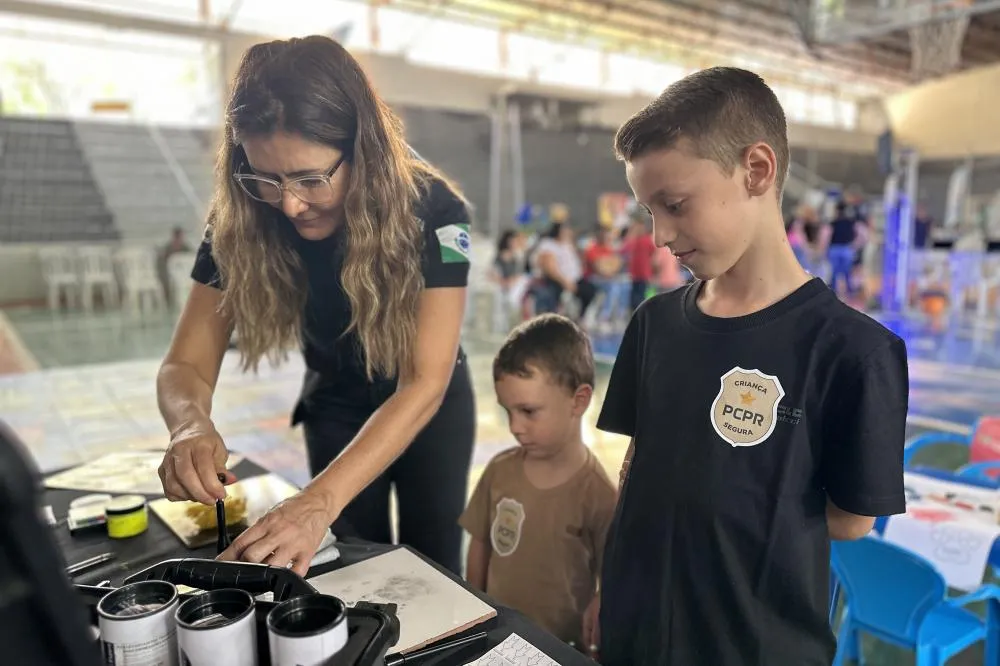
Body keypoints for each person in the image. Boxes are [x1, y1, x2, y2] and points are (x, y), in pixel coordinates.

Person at [596, 67, 908, 665]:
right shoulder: (655, 323)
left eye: (675, 205)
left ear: (757, 171)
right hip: (633, 632)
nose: (659, 235)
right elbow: (638, 465)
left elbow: (850, 520)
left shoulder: (853, 352)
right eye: (649, 211)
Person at [155, 35, 475, 576]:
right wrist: (189, 425)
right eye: (266, 178)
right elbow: (184, 364)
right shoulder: (241, 218)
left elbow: (425, 381)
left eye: (310, 179)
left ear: (363, 152)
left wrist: (317, 502)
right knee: (347, 565)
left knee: (434, 562)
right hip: (334, 399)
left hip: (425, 403)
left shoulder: (434, 210)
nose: (290, 204)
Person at [460, 314, 616, 654]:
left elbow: (614, 576)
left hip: (561, 648)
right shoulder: (499, 471)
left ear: (578, 400)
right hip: (498, 641)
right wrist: (477, 611)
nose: (515, 427)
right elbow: (480, 545)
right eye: (508, 412)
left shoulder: (599, 494)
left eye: (528, 411)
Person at [621, 212, 658, 311]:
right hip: (634, 274)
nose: (639, 229)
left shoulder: (647, 240)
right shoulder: (633, 241)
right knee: (634, 297)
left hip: (644, 274)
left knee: (641, 297)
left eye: (640, 227)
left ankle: (641, 312)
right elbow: (623, 250)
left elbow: (653, 254)